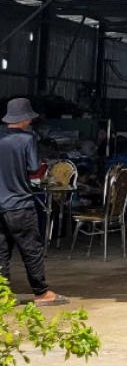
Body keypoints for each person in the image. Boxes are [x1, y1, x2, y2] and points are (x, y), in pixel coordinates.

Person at [0, 99, 65, 306]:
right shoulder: (27, 139)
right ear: (25, 119)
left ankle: (2, 294)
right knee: (31, 249)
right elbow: (33, 167)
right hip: (20, 204)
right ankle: (41, 292)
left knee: (1, 251)